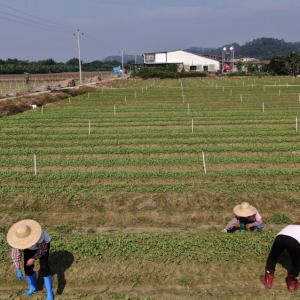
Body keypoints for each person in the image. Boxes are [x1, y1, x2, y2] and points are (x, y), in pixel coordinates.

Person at [7, 219, 54, 299]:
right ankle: (33, 288)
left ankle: (50, 293)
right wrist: (18, 269)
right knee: (27, 268)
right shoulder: (16, 238)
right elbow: (15, 254)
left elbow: (43, 249)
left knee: (44, 267)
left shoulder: (39, 234)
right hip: (29, 248)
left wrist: (33, 258)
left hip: (43, 245)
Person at [260, 223, 300, 291]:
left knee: (272, 258)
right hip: (294, 241)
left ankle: (268, 281)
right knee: (296, 263)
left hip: (280, 237)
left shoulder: (291, 225)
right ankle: (292, 285)